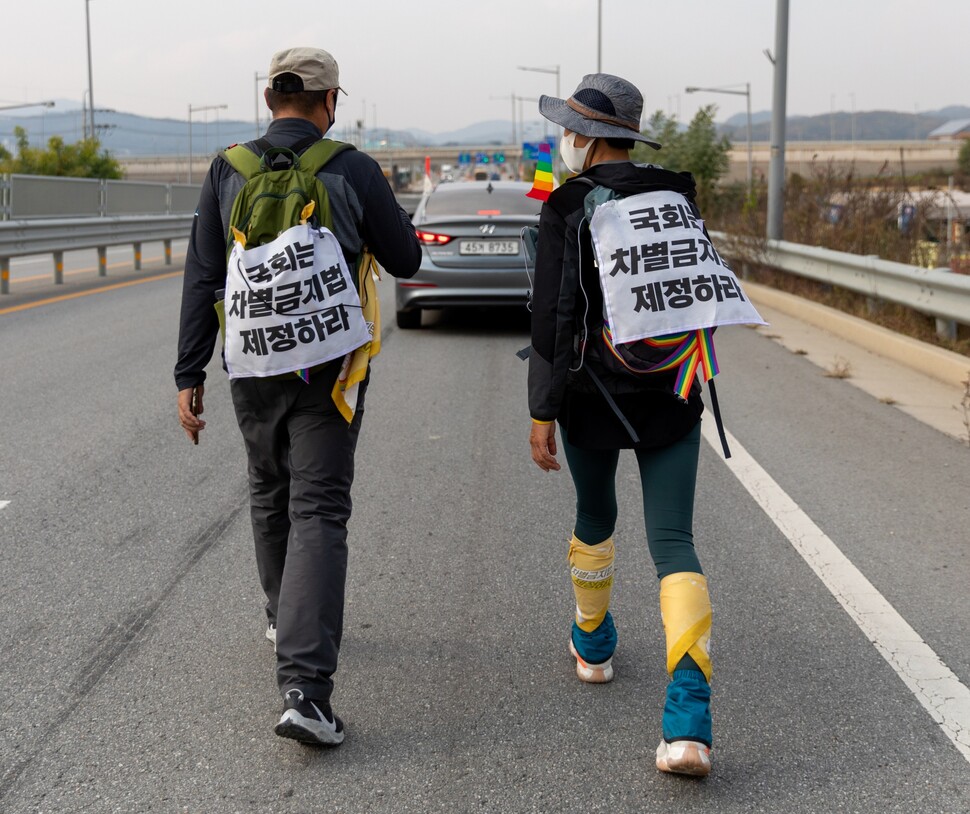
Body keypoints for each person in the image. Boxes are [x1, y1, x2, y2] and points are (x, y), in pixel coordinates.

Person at [175, 47, 421, 746]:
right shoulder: (352, 168)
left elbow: (202, 274)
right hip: (329, 369)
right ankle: (307, 691)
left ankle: (287, 616)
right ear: (330, 101)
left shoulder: (228, 168)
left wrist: (186, 373)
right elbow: (405, 259)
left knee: (267, 487)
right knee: (318, 505)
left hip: (249, 364)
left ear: (268, 99)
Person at [527, 74, 714, 777]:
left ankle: (594, 644)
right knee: (675, 542)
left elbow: (553, 317)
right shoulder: (677, 193)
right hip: (674, 387)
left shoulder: (568, 204)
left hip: (589, 394)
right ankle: (689, 726)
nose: (563, 141)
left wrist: (541, 408)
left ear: (591, 136)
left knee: (594, 513)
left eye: (569, 130)